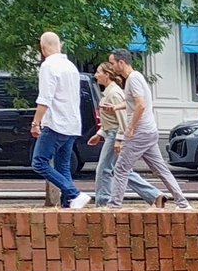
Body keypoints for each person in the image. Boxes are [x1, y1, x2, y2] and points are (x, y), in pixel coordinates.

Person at [105, 49, 191, 210]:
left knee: (121, 169)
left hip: (139, 132)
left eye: (112, 63)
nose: (111, 67)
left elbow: (141, 105)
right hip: (149, 131)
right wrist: (116, 107)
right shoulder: (136, 77)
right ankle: (183, 203)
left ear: (121, 63)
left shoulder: (132, 79)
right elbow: (134, 103)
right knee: (161, 169)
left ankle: (114, 205)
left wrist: (131, 128)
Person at [88, 63, 166, 208]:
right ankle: (155, 195)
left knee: (104, 169)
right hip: (112, 134)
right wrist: (99, 134)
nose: (96, 75)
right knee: (121, 170)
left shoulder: (114, 94)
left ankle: (104, 203)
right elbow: (110, 119)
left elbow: (122, 119)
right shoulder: (110, 92)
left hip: (115, 135)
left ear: (107, 75)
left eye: (98, 72)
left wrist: (119, 139)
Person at [31, 31, 89, 209]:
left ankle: (74, 193)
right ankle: (69, 203)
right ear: (60, 45)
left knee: (39, 162)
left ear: (42, 48)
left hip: (56, 123)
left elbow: (45, 98)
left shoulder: (48, 66)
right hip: (72, 123)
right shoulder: (70, 66)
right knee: (63, 166)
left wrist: (36, 122)